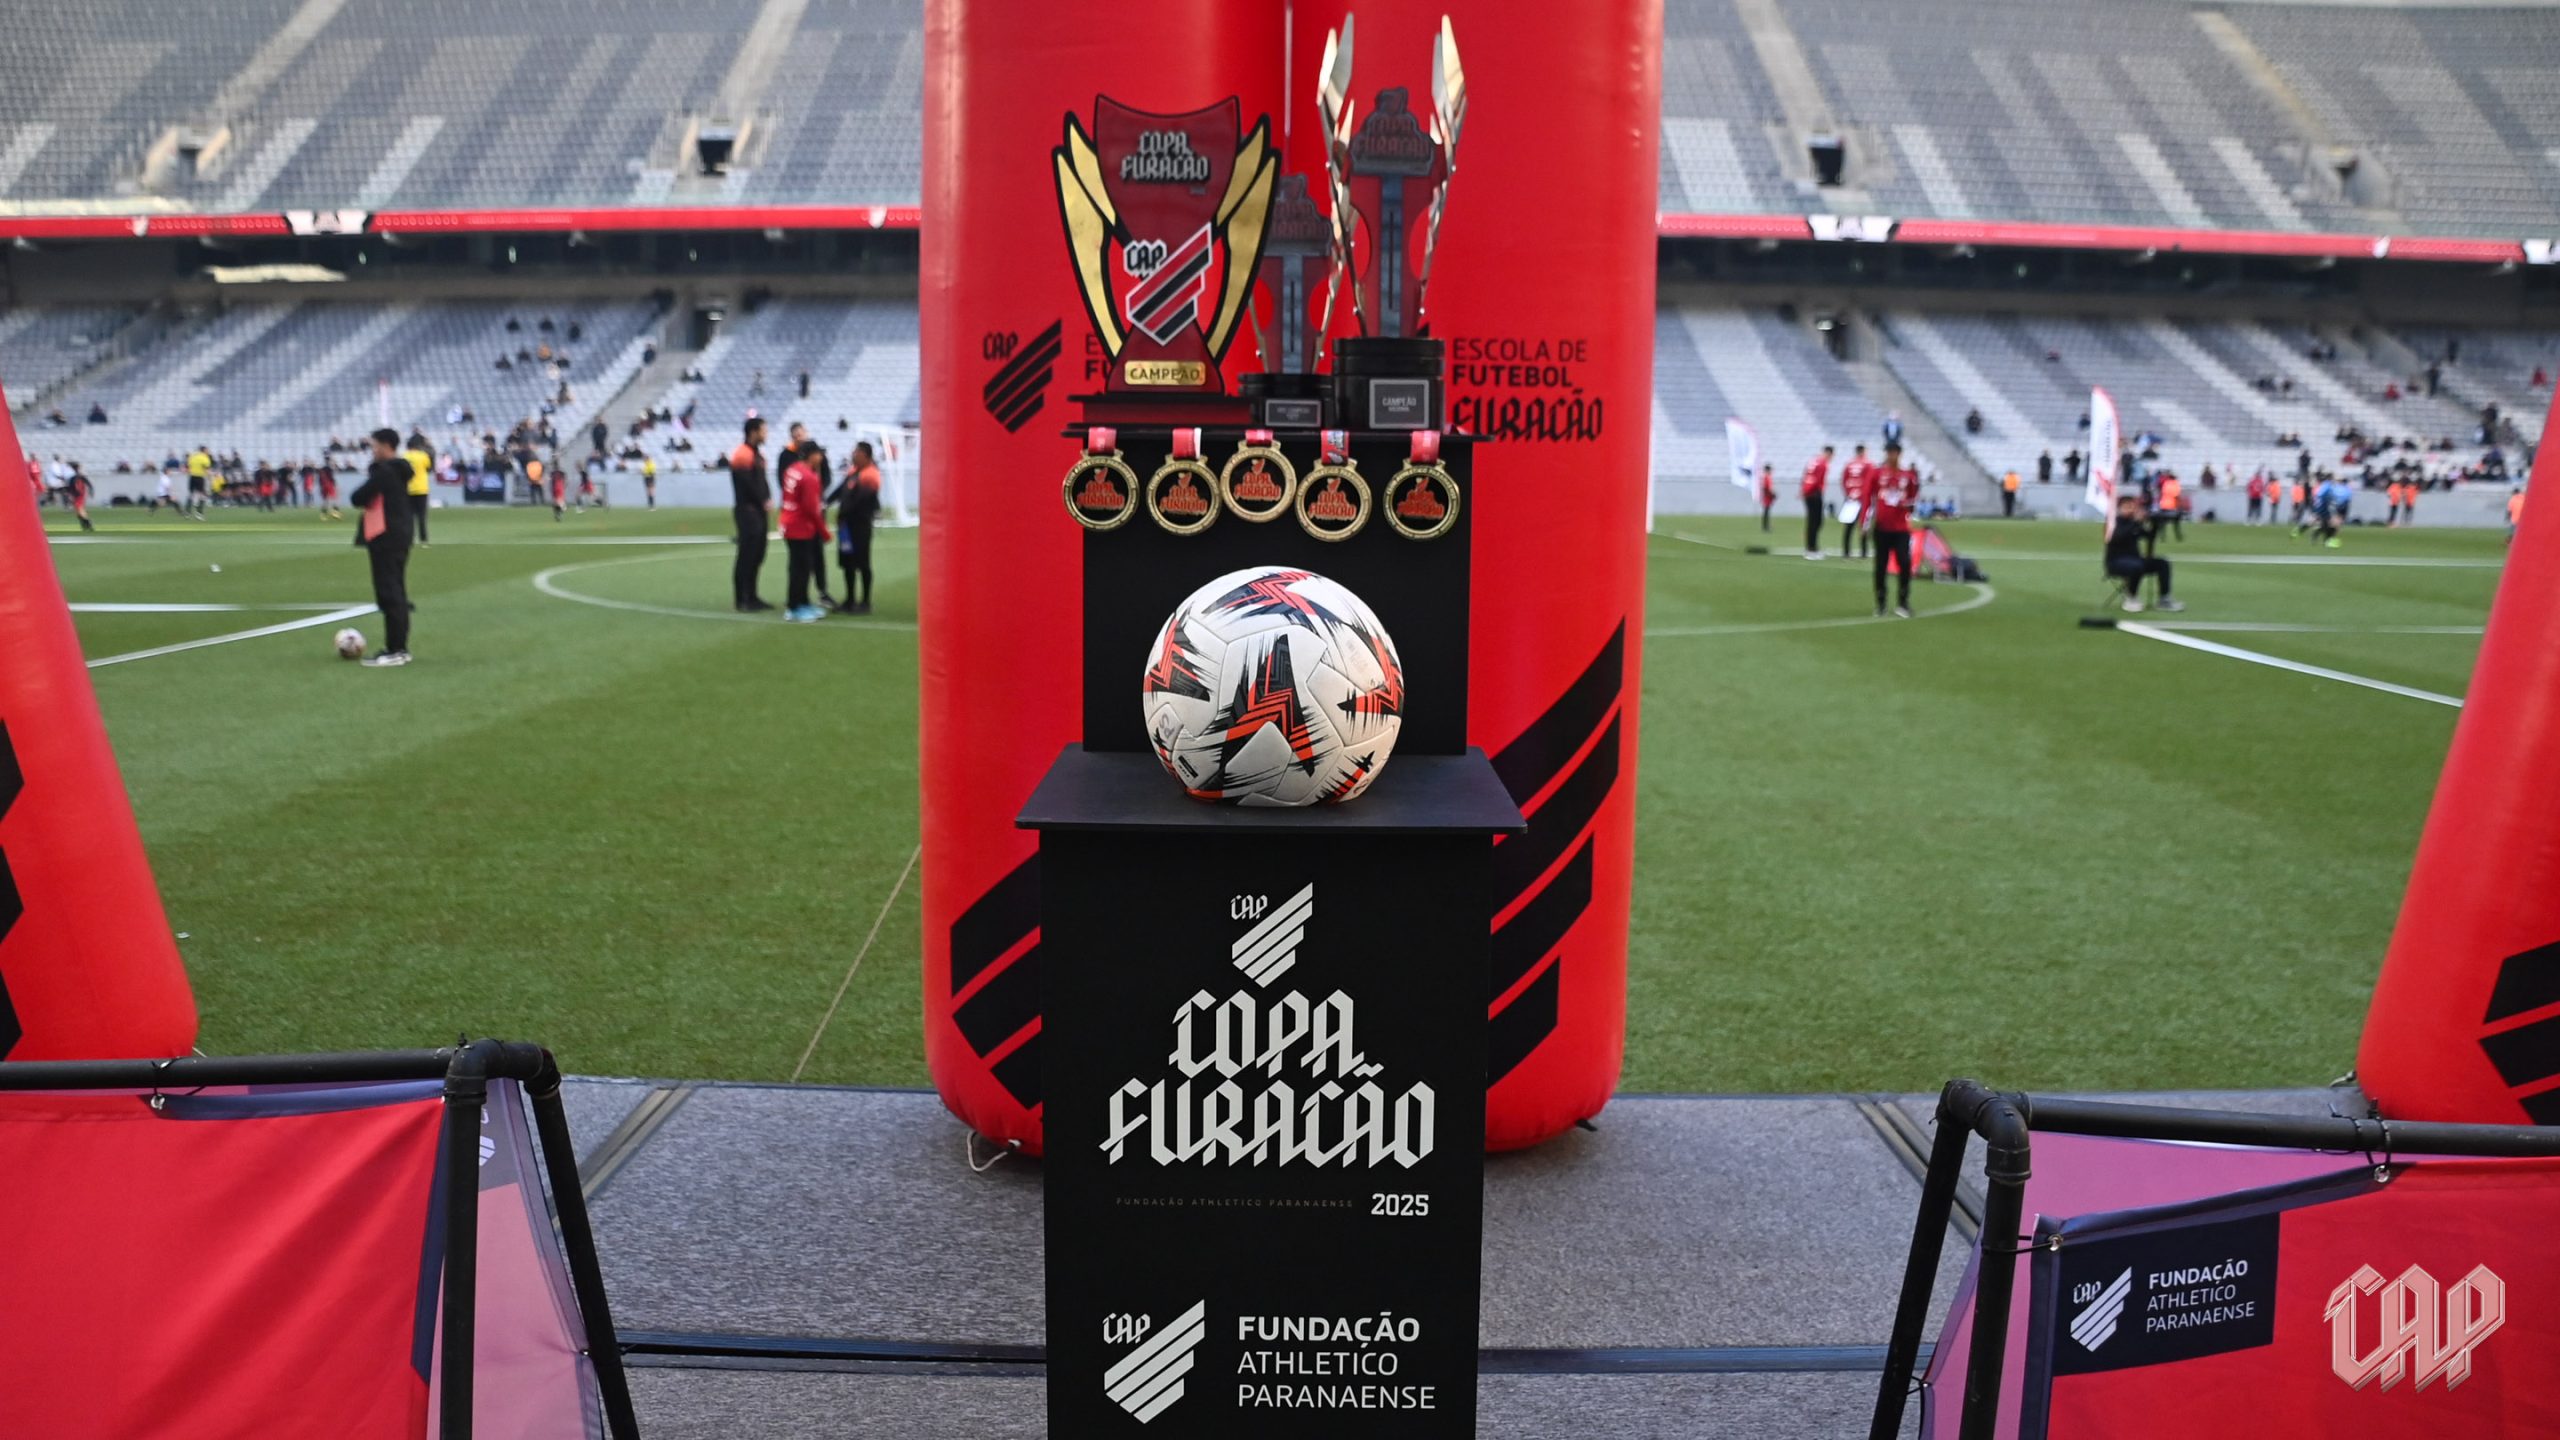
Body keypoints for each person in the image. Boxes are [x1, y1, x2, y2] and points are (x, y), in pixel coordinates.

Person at [350, 429, 416, 666]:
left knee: (390, 592)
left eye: (375, 446)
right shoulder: (398, 471)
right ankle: (398, 647)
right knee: (395, 590)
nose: (373, 451)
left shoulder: (386, 471)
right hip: (398, 535)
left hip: (386, 536)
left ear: (387, 446)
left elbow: (358, 497)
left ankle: (396, 649)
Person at [778, 442, 831, 622]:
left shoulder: (792, 469)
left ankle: (803, 602)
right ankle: (794, 607)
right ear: (811, 455)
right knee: (801, 568)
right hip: (800, 527)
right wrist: (824, 531)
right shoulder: (809, 477)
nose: (821, 458)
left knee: (799, 566)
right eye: (819, 454)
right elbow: (811, 509)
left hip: (789, 522)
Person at [1867, 441, 1920, 618]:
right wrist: (1865, 522)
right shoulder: (1877, 473)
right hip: (1882, 527)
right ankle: (1881, 603)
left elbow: (1913, 498)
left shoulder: (1908, 475)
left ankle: (1903, 602)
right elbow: (1869, 496)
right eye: (1889, 452)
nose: (1891, 455)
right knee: (1880, 565)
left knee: (1904, 562)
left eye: (1894, 452)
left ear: (1899, 454)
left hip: (1900, 528)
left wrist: (1906, 506)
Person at [2105, 492, 2181, 613]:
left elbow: (2149, 537)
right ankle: (2131, 597)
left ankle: (2164, 599)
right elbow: (2118, 537)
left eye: (2132, 507)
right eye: (2127, 507)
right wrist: (2136, 522)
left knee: (2163, 563)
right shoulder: (2115, 523)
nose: (2131, 510)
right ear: (2119, 508)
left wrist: (2155, 524)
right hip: (2116, 562)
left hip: (2135, 559)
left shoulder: (2134, 524)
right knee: (2136, 566)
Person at [834, 441, 882, 613]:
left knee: (862, 562)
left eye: (857, 453)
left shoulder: (871, 475)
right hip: (846, 527)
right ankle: (850, 599)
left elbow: (860, 500)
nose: (853, 455)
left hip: (860, 526)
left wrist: (844, 512)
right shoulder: (853, 472)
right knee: (847, 562)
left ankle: (865, 602)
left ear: (866, 456)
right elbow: (840, 490)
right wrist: (825, 502)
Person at [730, 417, 773, 612]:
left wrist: (767, 498)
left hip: (758, 512)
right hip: (748, 512)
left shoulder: (757, 455)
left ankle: (753, 596)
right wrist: (762, 500)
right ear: (753, 432)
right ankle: (741, 599)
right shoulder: (742, 454)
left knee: (757, 555)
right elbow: (747, 485)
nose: (766, 434)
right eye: (763, 430)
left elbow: (762, 481)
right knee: (746, 555)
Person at [1839, 442, 1873, 559]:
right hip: (1863, 498)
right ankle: (1863, 552)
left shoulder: (1849, 464)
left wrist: (1848, 493)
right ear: (1864, 451)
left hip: (1851, 498)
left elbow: (1843, 480)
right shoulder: (1868, 464)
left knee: (1848, 526)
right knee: (1864, 525)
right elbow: (1870, 481)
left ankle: (1846, 551)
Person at [1800, 444, 1832, 558]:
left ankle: (1812, 547)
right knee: (1816, 521)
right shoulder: (1823, 464)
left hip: (1808, 493)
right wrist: (1811, 491)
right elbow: (1817, 480)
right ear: (1829, 453)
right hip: (1814, 493)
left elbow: (1805, 476)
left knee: (1813, 521)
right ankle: (1811, 548)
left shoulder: (1812, 461)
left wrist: (1803, 491)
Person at [401, 432, 433, 546]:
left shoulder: (404, 456)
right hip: (422, 488)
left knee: (409, 516)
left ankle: (410, 539)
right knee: (422, 516)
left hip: (408, 489)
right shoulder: (423, 456)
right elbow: (428, 468)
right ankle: (423, 539)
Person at [2155, 471, 2184, 540]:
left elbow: (2161, 494)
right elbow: (2176, 496)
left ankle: (2162, 536)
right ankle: (2178, 536)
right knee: (2176, 522)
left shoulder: (2166, 483)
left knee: (2162, 522)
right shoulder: (2175, 484)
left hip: (2163, 505)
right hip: (2172, 506)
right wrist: (2179, 506)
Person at [185, 444, 212, 518]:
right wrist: (210, 477)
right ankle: (199, 513)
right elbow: (207, 470)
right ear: (204, 450)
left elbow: (187, 468)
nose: (208, 451)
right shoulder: (205, 458)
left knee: (191, 494)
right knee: (202, 495)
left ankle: (187, 513)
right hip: (200, 478)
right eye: (207, 450)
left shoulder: (192, 457)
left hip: (192, 477)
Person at [1755, 464, 1776, 532]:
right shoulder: (1767, 477)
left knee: (1766, 511)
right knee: (1766, 511)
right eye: (1770, 470)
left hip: (1767, 496)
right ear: (1768, 470)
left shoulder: (1765, 477)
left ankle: (1765, 526)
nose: (1771, 471)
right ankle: (1766, 527)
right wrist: (1773, 494)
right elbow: (1768, 488)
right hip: (1767, 497)